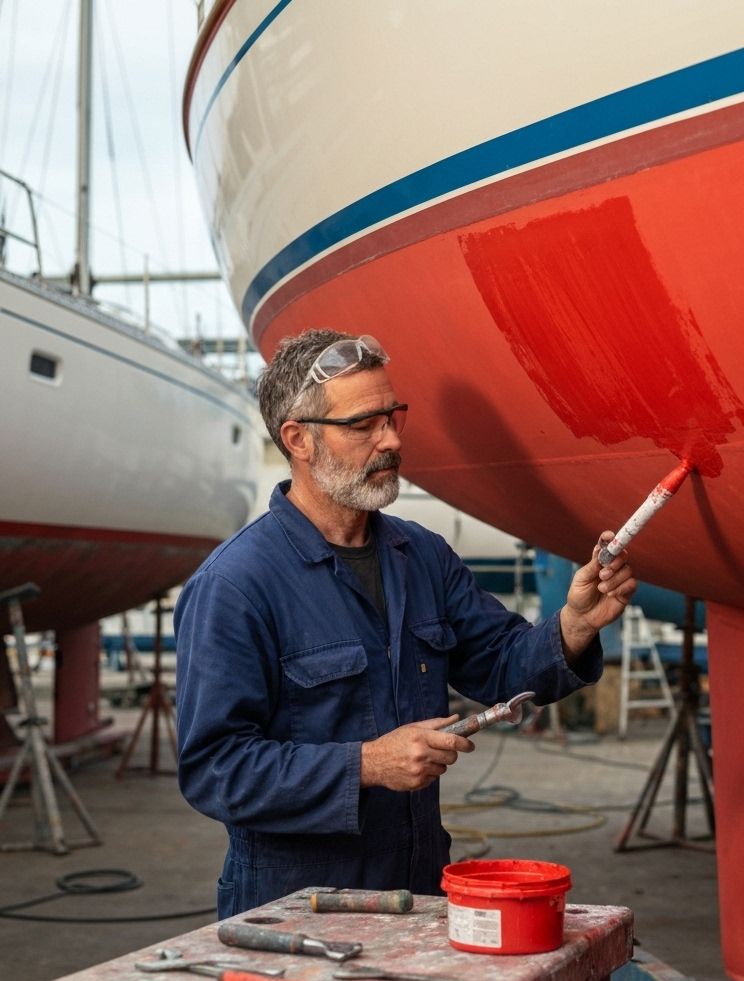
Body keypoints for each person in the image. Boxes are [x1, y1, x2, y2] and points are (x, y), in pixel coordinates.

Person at [174, 328, 636, 918]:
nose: (390, 439)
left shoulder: (423, 558)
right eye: (364, 425)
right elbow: (216, 771)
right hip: (296, 907)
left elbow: (501, 664)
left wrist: (573, 627)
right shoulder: (236, 586)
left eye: (393, 416)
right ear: (299, 440)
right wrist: (367, 764)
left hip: (418, 891)